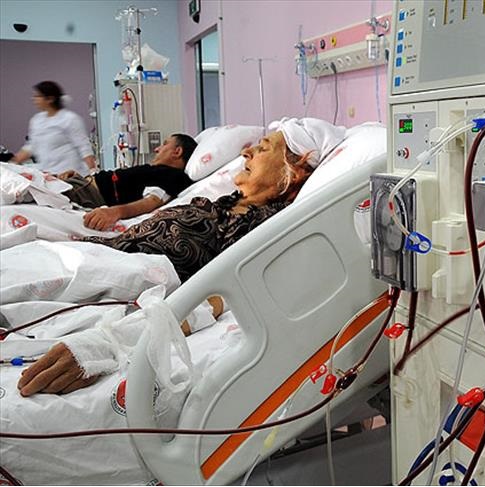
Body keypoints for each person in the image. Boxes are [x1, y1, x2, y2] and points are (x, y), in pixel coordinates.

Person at [16, 118, 347, 396]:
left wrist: (114, 342)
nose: (246, 152)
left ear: (294, 171)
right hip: (96, 253)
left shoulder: (264, 227)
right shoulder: (226, 202)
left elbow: (220, 297)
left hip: (122, 272)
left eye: (262, 149)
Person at [59, 133, 198, 230]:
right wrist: (82, 178)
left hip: (86, 193)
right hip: (82, 185)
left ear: (177, 152)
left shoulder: (173, 176)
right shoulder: (159, 171)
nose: (157, 149)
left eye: (165, 144)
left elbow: (152, 201)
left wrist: (114, 212)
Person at [10, 81, 97, 176]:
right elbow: (31, 146)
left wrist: (93, 171)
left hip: (70, 174)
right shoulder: (37, 120)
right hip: (49, 174)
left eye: (38, 96)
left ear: (50, 99)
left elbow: (83, 146)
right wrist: (12, 163)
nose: (34, 99)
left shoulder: (70, 119)